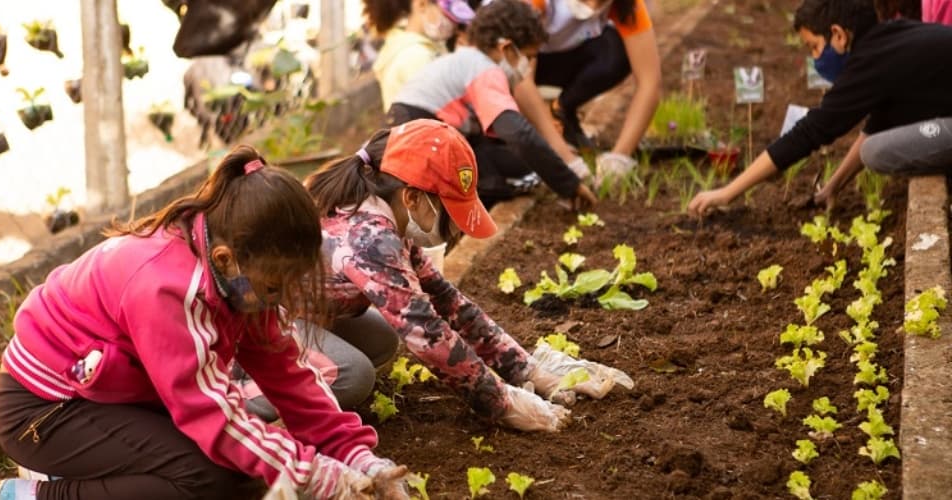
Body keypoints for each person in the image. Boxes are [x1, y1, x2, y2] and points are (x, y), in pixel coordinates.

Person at [0, 146, 408, 500]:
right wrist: (314, 475)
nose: (279, 300)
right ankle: (31, 493)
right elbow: (212, 415)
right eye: (275, 287)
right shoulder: (165, 288)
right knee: (209, 483)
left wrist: (359, 458)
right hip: (46, 410)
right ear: (226, 259)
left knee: (243, 472)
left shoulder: (240, 272)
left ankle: (83, 463)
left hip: (110, 397)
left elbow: (290, 377)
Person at [293, 118, 631, 433]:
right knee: (355, 375)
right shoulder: (369, 238)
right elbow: (427, 334)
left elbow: (450, 305)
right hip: (265, 324)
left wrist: (527, 370)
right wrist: (502, 402)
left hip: (305, 312)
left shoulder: (383, 218)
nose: (455, 230)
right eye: (449, 211)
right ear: (412, 197)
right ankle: (260, 399)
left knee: (382, 339)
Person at [688, 0, 952, 216]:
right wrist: (832, 187)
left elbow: (810, 132)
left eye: (814, 46)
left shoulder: (868, 62)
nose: (815, 58)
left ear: (838, 34)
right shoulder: (888, 38)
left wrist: (727, 192)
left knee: (876, 152)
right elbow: (877, 123)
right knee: (878, 141)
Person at [387, 0, 599, 207]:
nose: (527, 67)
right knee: (500, 182)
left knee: (518, 167)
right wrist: (570, 185)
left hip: (417, 134)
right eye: (528, 57)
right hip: (421, 140)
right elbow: (518, 133)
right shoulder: (485, 69)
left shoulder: (469, 60)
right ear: (506, 48)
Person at [526, 0, 662, 168]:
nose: (592, 5)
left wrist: (620, 156)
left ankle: (561, 111)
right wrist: (567, 158)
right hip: (509, 60)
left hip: (560, 56)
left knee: (619, 50)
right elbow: (522, 82)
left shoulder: (625, 4)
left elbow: (649, 83)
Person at [365, 0, 477, 110]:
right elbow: (449, 110)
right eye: (447, 16)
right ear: (422, 4)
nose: (453, 26)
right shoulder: (415, 57)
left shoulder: (413, 46)